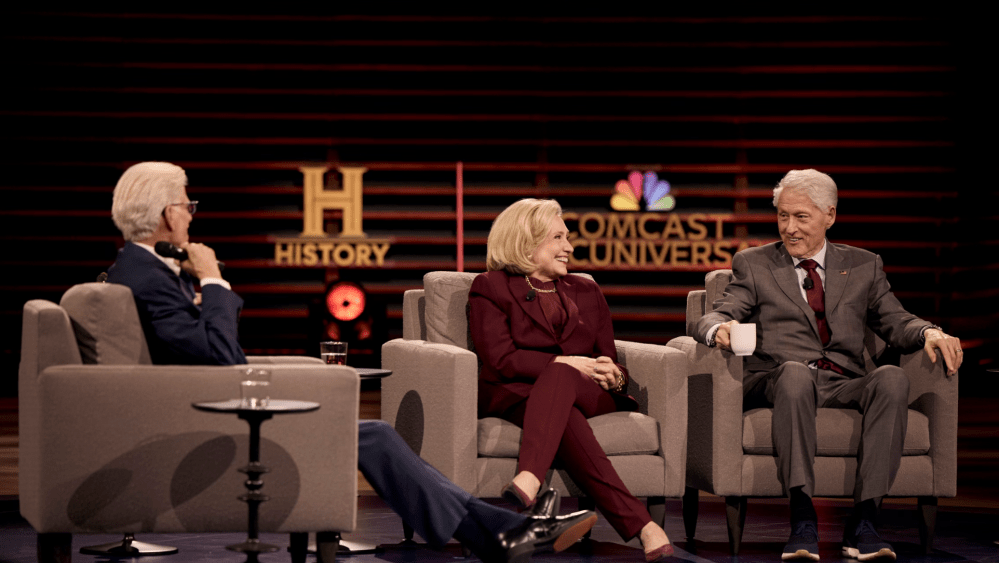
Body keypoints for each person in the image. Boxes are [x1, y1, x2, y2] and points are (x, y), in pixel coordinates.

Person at [105, 162, 597, 563]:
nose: (191, 215)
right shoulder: (148, 277)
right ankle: (499, 532)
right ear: (166, 213)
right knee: (376, 435)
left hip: (210, 405)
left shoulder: (140, 270)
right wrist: (213, 281)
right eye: (186, 205)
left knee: (376, 434)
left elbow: (210, 353)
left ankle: (498, 532)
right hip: (213, 419)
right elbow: (221, 358)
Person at [693, 169, 963, 561]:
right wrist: (718, 328)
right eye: (783, 216)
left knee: (892, 378)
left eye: (801, 217)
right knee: (795, 375)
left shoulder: (863, 265)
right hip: (780, 379)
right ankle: (803, 519)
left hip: (842, 381)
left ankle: (865, 521)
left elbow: (896, 321)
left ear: (829, 216)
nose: (789, 227)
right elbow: (718, 312)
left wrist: (930, 332)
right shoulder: (754, 263)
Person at [469, 198, 674, 562]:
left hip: (588, 392)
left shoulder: (586, 290)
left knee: (562, 374)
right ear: (526, 242)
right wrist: (562, 362)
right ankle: (644, 526)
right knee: (565, 408)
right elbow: (500, 358)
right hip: (517, 393)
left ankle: (529, 476)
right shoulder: (491, 287)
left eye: (567, 237)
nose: (569, 247)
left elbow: (607, 356)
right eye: (558, 238)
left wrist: (615, 376)